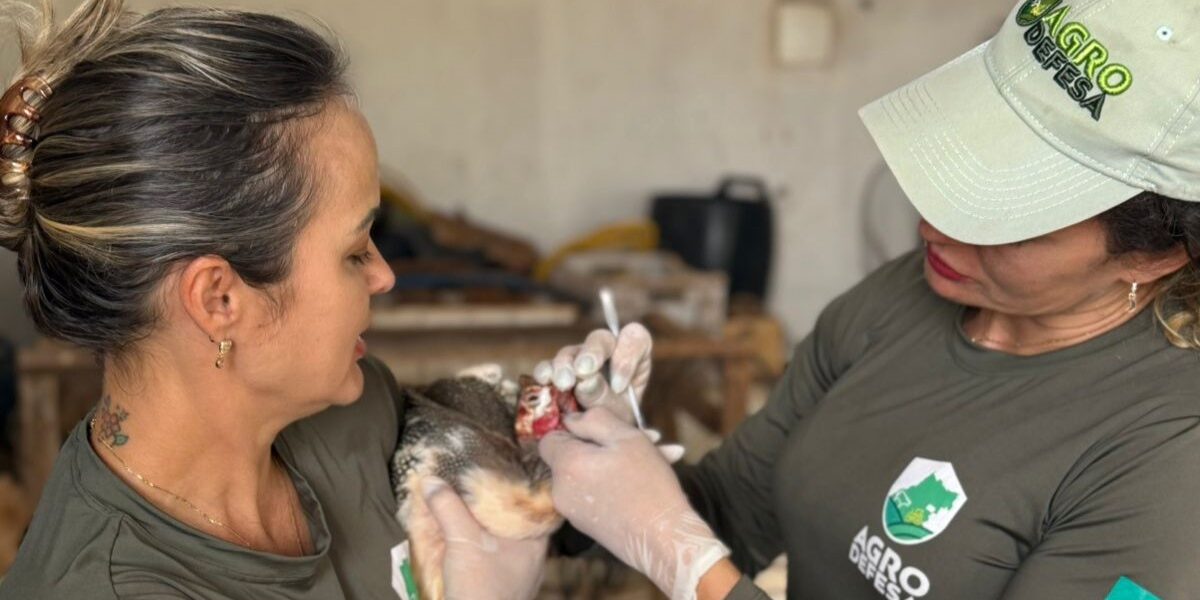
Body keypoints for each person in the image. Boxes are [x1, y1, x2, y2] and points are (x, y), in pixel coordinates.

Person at [535, 1, 1200, 599]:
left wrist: (688, 563)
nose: (935, 225)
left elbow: (695, 553)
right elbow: (733, 511)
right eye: (960, 161)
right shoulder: (903, 299)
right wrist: (600, 468)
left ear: (1160, 252)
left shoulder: (1169, 459)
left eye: (1008, 220)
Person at [0, 1, 547, 598]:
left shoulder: (348, 414)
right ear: (220, 299)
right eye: (355, 250)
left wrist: (569, 450)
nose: (386, 276)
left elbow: (485, 447)